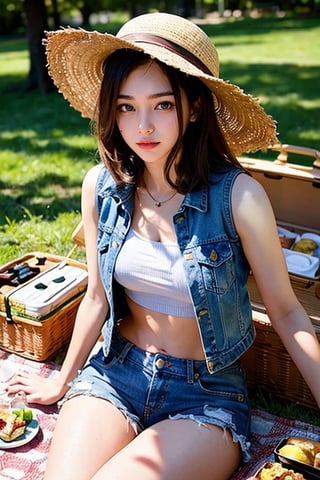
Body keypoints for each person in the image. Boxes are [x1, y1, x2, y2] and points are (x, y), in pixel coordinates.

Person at [7, 12, 320, 480]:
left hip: (206, 394)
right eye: (126, 107)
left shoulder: (238, 197)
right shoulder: (101, 187)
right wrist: (62, 379)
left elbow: (287, 311)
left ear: (193, 107)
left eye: (162, 105)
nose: (143, 126)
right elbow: (96, 295)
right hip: (116, 372)